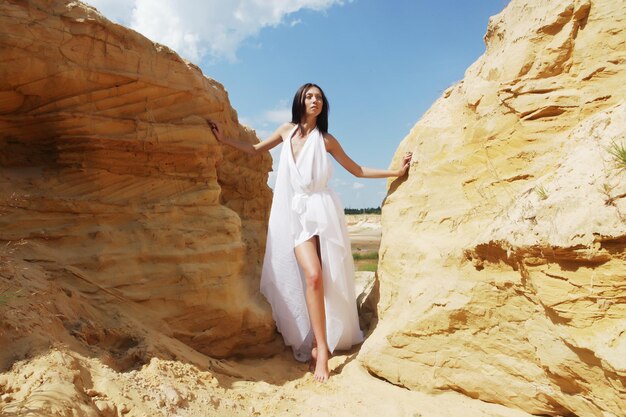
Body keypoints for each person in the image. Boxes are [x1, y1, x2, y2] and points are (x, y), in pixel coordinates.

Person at [209, 83, 411, 382]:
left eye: (319, 97)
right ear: (300, 102)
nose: (314, 100)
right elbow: (254, 150)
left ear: (323, 105)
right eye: (309, 96)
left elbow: (356, 170)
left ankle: (321, 348)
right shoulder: (286, 131)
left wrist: (396, 173)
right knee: (313, 276)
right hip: (296, 214)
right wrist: (223, 139)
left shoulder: (326, 140)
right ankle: (320, 347)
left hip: (325, 211)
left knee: (326, 277)